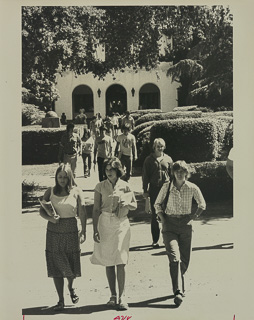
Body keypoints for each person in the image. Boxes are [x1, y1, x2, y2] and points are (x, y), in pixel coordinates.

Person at [154, 160, 206, 307]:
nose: (179, 173)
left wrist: (193, 216)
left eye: (182, 171)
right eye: (177, 171)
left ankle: (179, 284)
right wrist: (163, 219)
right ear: (173, 173)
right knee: (174, 259)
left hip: (185, 226)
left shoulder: (192, 187)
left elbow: (202, 204)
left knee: (184, 261)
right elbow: (157, 203)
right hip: (169, 225)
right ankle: (178, 291)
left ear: (186, 173)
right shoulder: (167, 187)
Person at [90, 157, 137, 310]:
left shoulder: (125, 186)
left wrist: (127, 203)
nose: (109, 172)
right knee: (109, 260)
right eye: (106, 170)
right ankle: (113, 295)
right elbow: (96, 209)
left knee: (121, 258)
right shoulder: (100, 186)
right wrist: (94, 229)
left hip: (121, 223)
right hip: (104, 223)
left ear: (118, 170)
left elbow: (134, 205)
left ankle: (122, 296)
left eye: (112, 169)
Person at [39, 163, 87, 311]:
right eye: (60, 177)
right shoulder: (50, 191)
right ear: (56, 177)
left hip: (71, 230)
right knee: (56, 266)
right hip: (54, 231)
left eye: (65, 177)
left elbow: (83, 212)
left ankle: (71, 287)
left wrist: (84, 231)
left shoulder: (77, 191)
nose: (62, 180)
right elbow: (41, 211)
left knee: (71, 266)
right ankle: (61, 300)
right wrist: (51, 219)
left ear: (69, 178)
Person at [142, 138, 173, 248]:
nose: (160, 148)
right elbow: (145, 176)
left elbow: (172, 175)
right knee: (155, 215)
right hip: (154, 189)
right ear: (154, 147)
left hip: (166, 189)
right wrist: (145, 191)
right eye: (158, 146)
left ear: (164, 147)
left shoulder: (168, 159)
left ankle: (167, 239)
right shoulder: (149, 160)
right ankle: (155, 240)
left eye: (162, 146)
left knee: (167, 214)